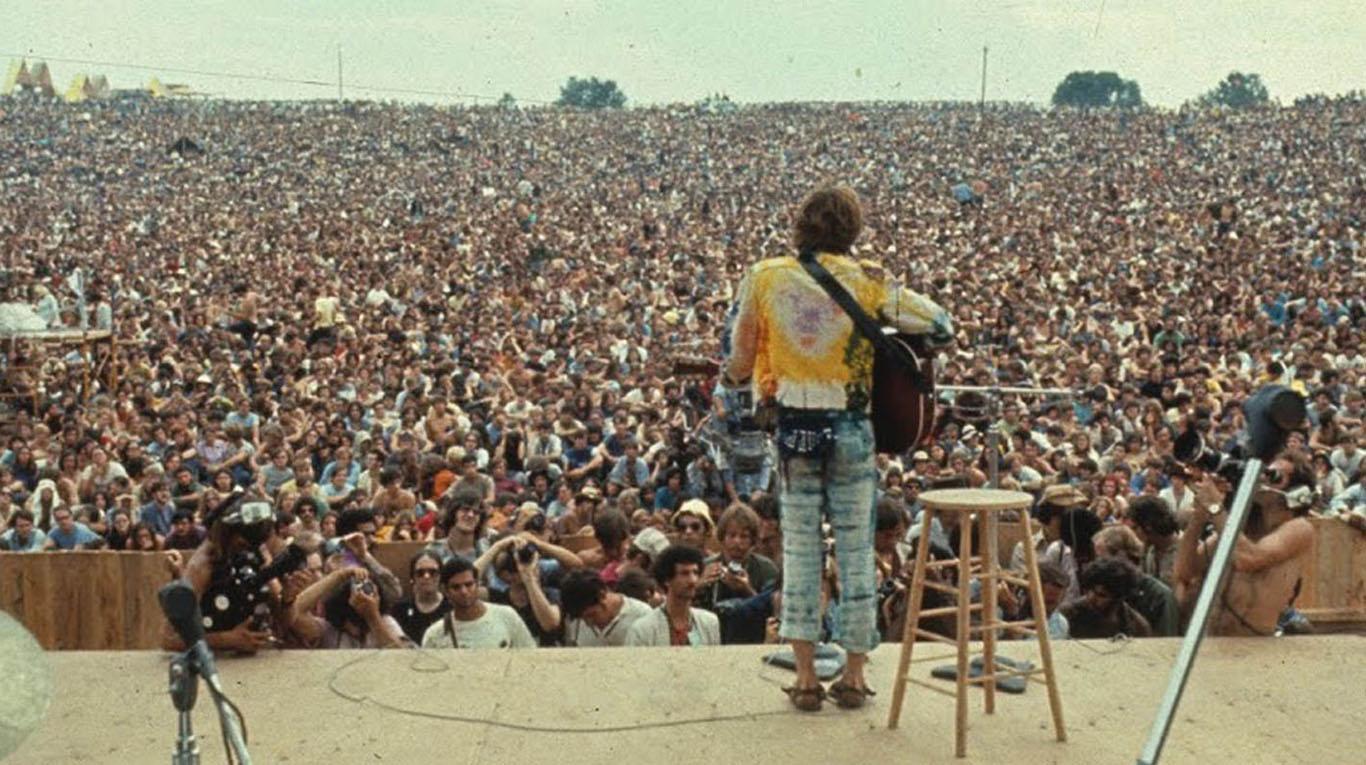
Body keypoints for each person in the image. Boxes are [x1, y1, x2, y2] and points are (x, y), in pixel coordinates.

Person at [724, 185, 951, 712]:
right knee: (855, 553)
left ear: (801, 224)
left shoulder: (765, 276)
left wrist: (745, 377)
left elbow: (737, 359)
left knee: (801, 554)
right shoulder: (868, 279)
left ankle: (805, 679)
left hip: (795, 430)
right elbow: (940, 324)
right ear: (853, 229)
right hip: (852, 429)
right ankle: (853, 676)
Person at [1174, 461, 1316, 636]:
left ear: (1298, 490)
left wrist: (1215, 507)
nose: (1263, 478)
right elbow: (1185, 572)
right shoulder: (1239, 529)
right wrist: (1199, 516)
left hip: (1253, 645)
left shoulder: (1299, 528)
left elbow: (1248, 560)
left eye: (1274, 475)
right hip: (1212, 642)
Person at [421, 556, 536, 649]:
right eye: (456, 587)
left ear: (477, 584)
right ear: (445, 590)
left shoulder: (506, 616)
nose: (464, 591)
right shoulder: (435, 635)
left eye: (469, 584)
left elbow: (530, 657)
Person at [289, 566, 409, 649]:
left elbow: (402, 658)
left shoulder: (386, 623)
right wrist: (339, 576)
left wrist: (373, 617)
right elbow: (294, 612)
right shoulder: (328, 630)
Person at [625, 544, 721, 647]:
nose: (693, 580)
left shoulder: (709, 622)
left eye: (695, 573)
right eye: (684, 573)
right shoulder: (643, 629)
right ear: (667, 580)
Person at [1061, 557, 1154, 639]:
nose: (1091, 597)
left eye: (1102, 595)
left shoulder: (1137, 626)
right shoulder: (1067, 616)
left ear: (1118, 598)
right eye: (1090, 590)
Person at [559, 568, 653, 647]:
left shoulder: (642, 616)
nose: (588, 623)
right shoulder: (575, 622)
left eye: (591, 615)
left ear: (602, 596)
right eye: (583, 619)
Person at [389, 551, 451, 644]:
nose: (426, 576)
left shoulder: (452, 608)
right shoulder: (399, 610)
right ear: (412, 577)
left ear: (441, 576)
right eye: (420, 573)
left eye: (432, 572)